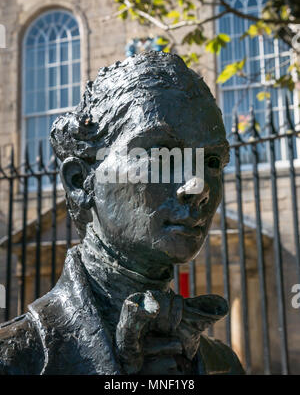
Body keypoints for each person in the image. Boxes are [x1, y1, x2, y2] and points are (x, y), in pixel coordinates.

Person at [0, 51, 244, 375]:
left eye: (212, 161)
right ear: (79, 181)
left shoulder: (223, 364)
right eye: (161, 156)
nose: (198, 186)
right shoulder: (12, 361)